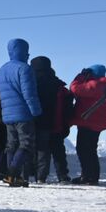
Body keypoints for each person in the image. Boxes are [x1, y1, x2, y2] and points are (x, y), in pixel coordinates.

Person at [0, 38, 42, 187]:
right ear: (23, 51)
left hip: (7, 114)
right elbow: (29, 93)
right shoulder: (24, 68)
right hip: (23, 113)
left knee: (12, 145)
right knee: (26, 144)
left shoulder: (2, 69)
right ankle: (12, 173)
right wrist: (36, 111)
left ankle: (14, 178)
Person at [29, 55, 71, 183]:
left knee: (41, 151)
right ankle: (63, 175)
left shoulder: (32, 85)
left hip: (39, 123)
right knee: (59, 152)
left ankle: (40, 176)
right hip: (57, 124)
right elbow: (68, 107)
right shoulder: (59, 86)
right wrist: (66, 124)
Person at [68, 65, 106, 185]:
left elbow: (74, 88)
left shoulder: (96, 84)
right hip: (93, 121)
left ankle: (89, 177)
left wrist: (80, 76)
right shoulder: (104, 85)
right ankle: (89, 176)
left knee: (85, 149)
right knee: (89, 149)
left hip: (89, 121)